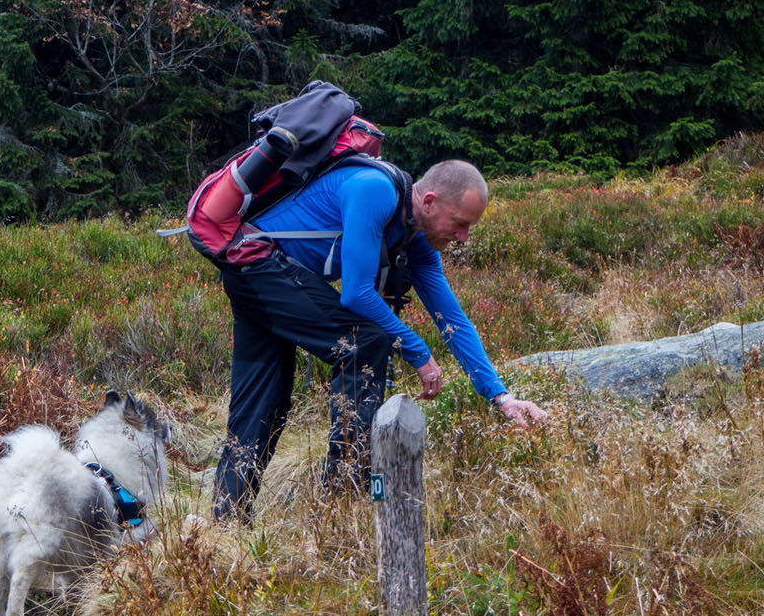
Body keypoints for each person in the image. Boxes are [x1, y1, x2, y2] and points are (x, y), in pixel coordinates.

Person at [212, 158, 549, 521]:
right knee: (366, 342)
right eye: (461, 223)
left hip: (251, 271)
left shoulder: (413, 237)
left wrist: (500, 396)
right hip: (257, 262)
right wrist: (417, 352)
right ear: (430, 201)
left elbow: (452, 320)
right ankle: (344, 501)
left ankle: (226, 522)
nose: (464, 237)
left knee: (264, 400)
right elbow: (355, 294)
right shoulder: (374, 191)